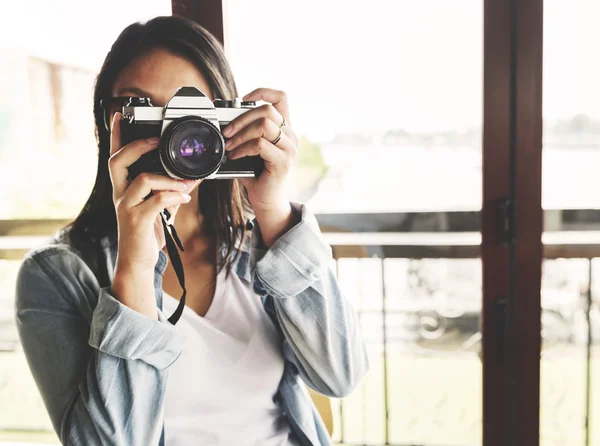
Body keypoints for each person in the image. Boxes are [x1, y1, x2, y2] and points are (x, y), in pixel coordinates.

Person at [14, 15, 368, 446]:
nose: (171, 134)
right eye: (142, 110)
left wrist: (274, 212)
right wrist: (135, 268)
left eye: (188, 111)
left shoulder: (251, 245)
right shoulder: (57, 275)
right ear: (104, 126)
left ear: (226, 125)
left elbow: (341, 376)